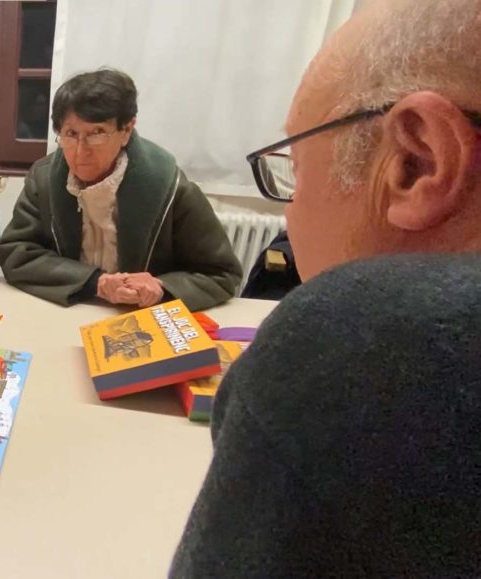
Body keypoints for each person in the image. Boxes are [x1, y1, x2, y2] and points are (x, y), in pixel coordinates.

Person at [172, 0, 481, 576]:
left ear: (417, 162)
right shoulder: (47, 177)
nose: (288, 210)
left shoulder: (358, 339)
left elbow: (214, 274)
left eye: (293, 166)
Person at [0, 69, 242, 311]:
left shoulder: (171, 186)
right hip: (71, 307)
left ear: (127, 130)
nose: (81, 152)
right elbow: (16, 254)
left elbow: (221, 274)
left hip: (143, 317)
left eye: (97, 133)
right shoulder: (43, 180)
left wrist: (161, 287)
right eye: (71, 134)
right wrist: (96, 282)